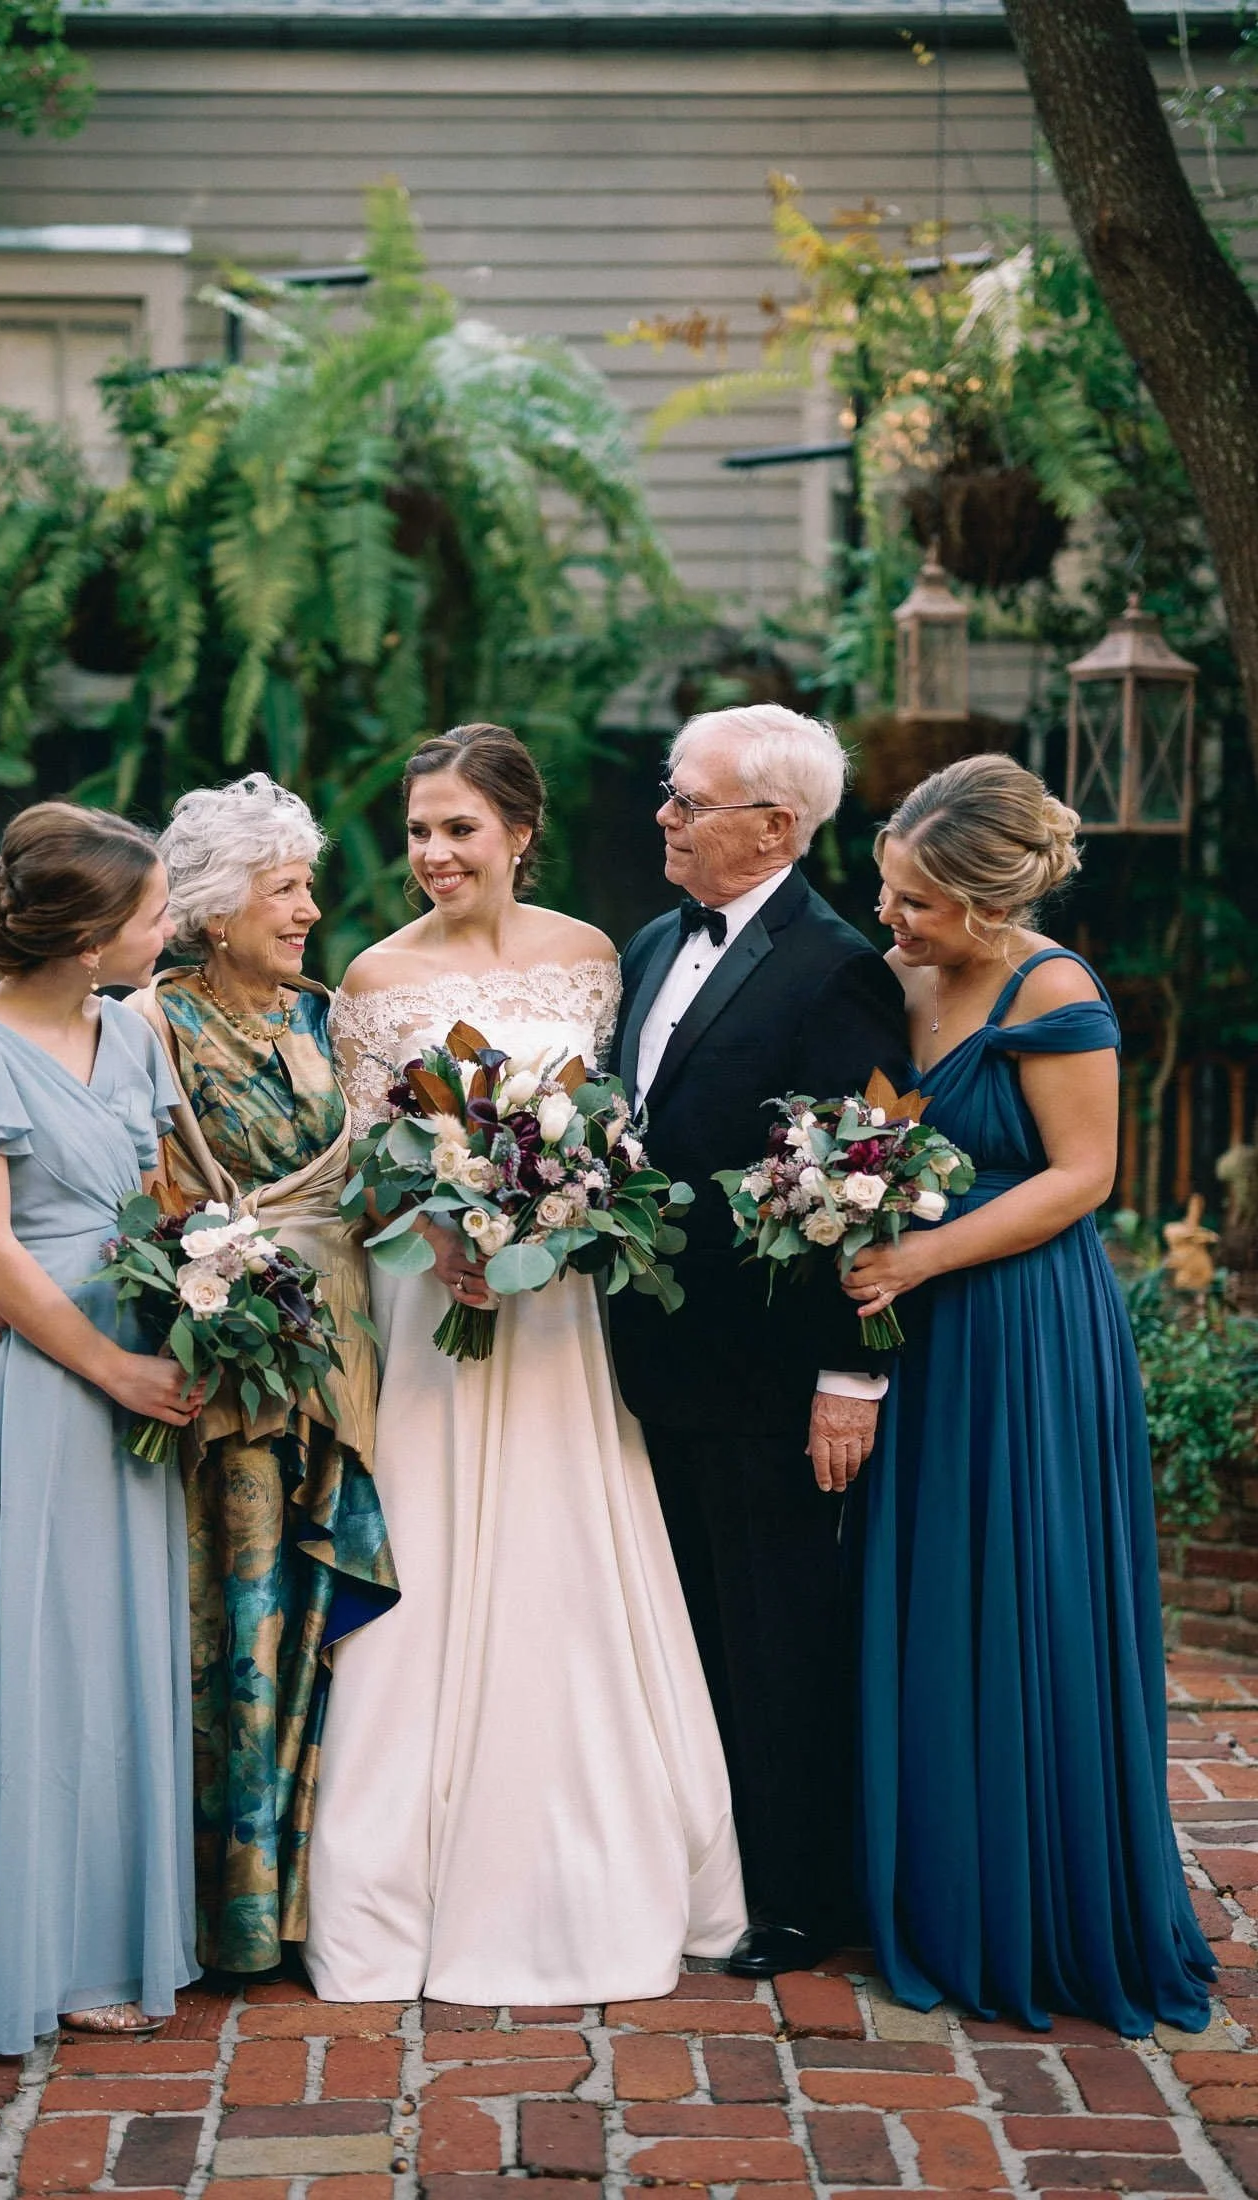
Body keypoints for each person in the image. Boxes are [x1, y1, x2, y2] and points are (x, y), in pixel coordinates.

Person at [303, 722, 746, 2005]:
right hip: (429, 1310)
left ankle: (595, 1852)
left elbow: (605, 1135)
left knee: (569, 1556)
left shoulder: (592, 961)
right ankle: (401, 1876)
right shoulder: (373, 979)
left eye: (461, 827)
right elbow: (362, 1170)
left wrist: (556, 1213)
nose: (435, 852)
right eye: (420, 829)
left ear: (519, 832)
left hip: (558, 1316)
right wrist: (428, 1227)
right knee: (433, 1561)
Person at [844, 752, 1214, 2036]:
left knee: (1028, 1588)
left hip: (1023, 1327)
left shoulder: (1055, 988)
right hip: (925, 1335)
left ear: (991, 907)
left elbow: (1084, 1175)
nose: (890, 919)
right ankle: (940, 1880)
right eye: (886, 890)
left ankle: (1045, 1902)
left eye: (916, 905)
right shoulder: (901, 978)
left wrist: (925, 1254)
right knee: (937, 1590)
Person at [0, 803, 204, 2053]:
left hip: (137, 1336)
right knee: (47, 1646)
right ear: (85, 937)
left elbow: (168, 1191)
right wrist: (116, 1372)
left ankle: (111, 1922)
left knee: (122, 1639)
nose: (168, 929)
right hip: (52, 1374)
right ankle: (43, 1945)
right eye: (155, 914)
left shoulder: (130, 1031)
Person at [608, 704, 912, 1980]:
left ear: (776, 825)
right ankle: (705, 1869)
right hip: (644, 1361)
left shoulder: (837, 967)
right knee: (683, 1629)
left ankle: (796, 1895)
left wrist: (854, 1374)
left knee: (777, 1630)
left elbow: (872, 1180)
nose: (663, 817)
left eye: (688, 800)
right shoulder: (647, 942)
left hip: (774, 1372)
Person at [127, 774, 398, 1974]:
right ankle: (229, 1907)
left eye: (305, 884)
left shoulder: (326, 1017)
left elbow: (378, 1177)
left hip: (348, 1347)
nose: (307, 909)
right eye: (284, 888)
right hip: (234, 1361)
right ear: (215, 906)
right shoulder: (152, 1026)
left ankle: (314, 1888)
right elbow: (127, 1193)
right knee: (240, 1614)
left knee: (327, 1623)